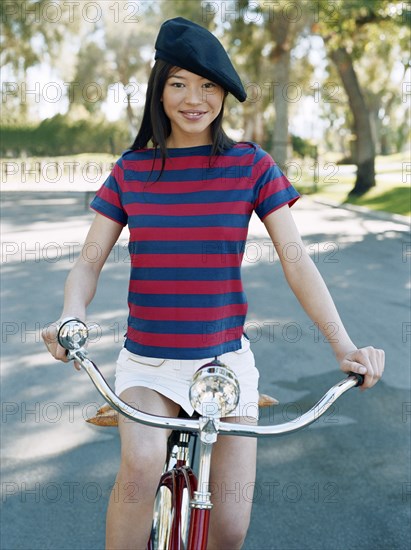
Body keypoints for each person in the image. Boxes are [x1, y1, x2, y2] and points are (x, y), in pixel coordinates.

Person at [42, 17, 385, 550]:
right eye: (179, 82)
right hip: (148, 367)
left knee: (228, 530)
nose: (194, 98)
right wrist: (71, 315)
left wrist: (345, 346)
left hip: (225, 366)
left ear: (225, 94)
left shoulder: (251, 165)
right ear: (159, 89)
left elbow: (297, 261)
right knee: (141, 466)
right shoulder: (131, 171)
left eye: (208, 85)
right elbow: (88, 263)